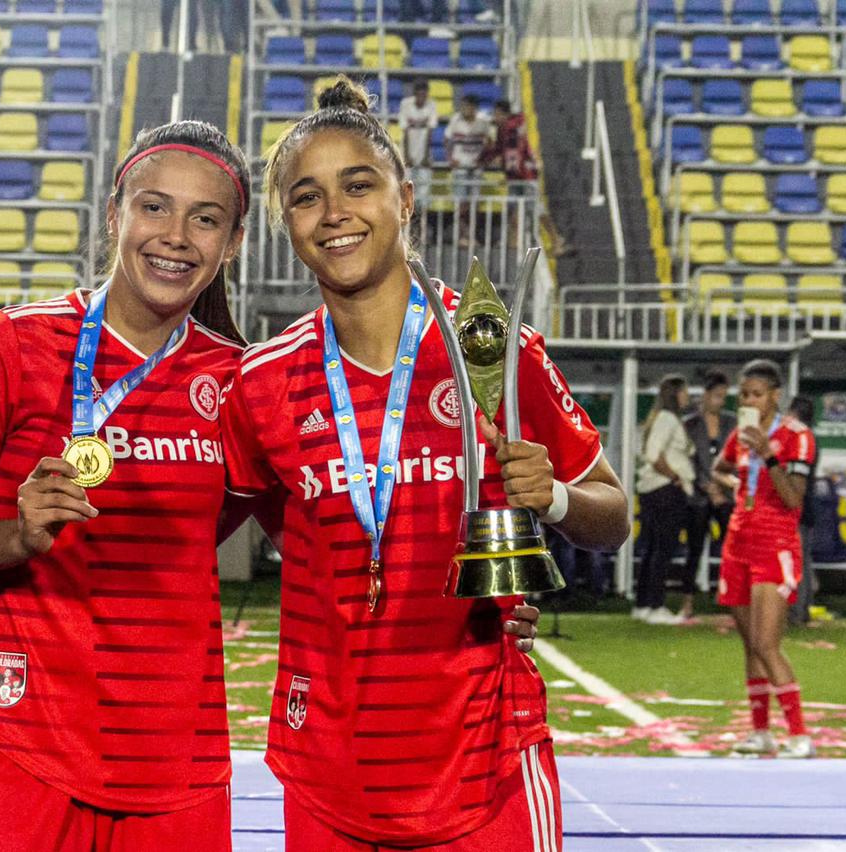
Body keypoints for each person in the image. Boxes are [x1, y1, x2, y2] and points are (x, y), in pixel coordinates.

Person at [224, 77, 629, 850]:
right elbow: (210, 526)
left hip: (485, 762)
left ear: (405, 199)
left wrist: (552, 500)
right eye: (306, 198)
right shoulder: (262, 379)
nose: (335, 213)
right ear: (287, 226)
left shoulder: (490, 345)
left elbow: (610, 516)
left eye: (359, 185)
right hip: (329, 768)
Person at [0, 120, 256, 851]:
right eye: (155, 207)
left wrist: (493, 605)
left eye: (205, 218)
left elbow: (295, 536)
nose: (177, 235)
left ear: (233, 243)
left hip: (175, 756)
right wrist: (12, 538)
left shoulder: (241, 382)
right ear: (115, 214)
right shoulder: (10, 345)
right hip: (20, 736)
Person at [714, 359, 815, 759]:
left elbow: (794, 498)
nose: (751, 401)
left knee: (766, 643)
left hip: (775, 544)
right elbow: (718, 469)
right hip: (738, 542)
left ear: (775, 395)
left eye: (757, 394)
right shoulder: (740, 433)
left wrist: (768, 456)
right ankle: (761, 733)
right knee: (748, 645)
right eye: (745, 395)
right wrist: (735, 482)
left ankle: (800, 735)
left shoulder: (797, 436)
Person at [633, 375, 693, 625]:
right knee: (663, 549)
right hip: (665, 491)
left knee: (651, 548)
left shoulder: (658, 417)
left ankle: (643, 604)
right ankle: (656, 605)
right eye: (685, 392)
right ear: (676, 394)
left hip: (653, 491)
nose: (688, 397)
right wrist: (676, 477)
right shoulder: (668, 419)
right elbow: (653, 455)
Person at [679, 369, 736, 620]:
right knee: (694, 549)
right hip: (698, 497)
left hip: (726, 496)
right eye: (716, 396)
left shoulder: (732, 422)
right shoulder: (689, 424)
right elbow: (687, 461)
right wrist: (707, 486)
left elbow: (736, 458)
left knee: (732, 550)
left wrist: (722, 487)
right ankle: (687, 602)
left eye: (724, 397)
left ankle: (732, 602)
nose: (720, 401)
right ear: (705, 395)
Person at [479, 100, 568, 257]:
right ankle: (514, 245)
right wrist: (484, 158)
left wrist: (511, 173)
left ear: (502, 113)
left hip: (526, 176)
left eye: (496, 114)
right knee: (513, 209)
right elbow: (499, 149)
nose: (494, 117)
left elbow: (515, 153)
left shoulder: (513, 127)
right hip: (515, 177)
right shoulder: (503, 129)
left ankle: (556, 239)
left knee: (536, 209)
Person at [786, 394, 818, 626]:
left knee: (797, 562)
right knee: (803, 562)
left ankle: (796, 613)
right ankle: (802, 611)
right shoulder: (809, 438)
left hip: (799, 508)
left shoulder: (802, 440)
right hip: (806, 508)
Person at [445, 93, 491, 248]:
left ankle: (471, 236)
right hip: (460, 168)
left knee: (474, 205)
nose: (465, 110)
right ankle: (461, 236)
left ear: (474, 108)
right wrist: (450, 158)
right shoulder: (455, 120)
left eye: (468, 107)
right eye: (463, 106)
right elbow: (447, 139)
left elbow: (490, 142)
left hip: (476, 168)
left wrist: (484, 158)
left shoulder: (483, 122)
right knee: (461, 204)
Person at [396, 80, 439, 220]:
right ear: (415, 94)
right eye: (419, 94)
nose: (422, 97)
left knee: (424, 194)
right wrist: (407, 156)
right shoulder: (406, 104)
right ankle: (407, 226)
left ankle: (423, 227)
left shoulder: (431, 105)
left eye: (424, 95)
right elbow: (405, 131)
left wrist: (426, 156)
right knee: (406, 190)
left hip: (424, 155)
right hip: (408, 155)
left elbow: (430, 132)